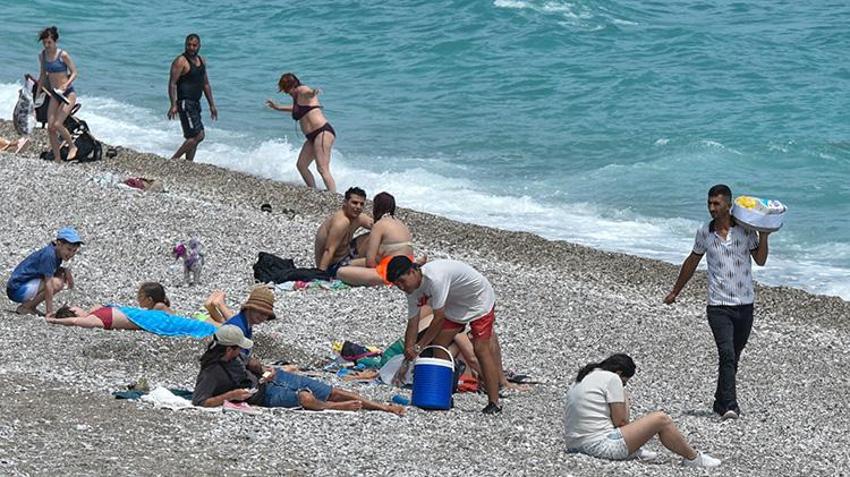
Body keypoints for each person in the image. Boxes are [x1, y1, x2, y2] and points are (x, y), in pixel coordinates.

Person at [664, 184, 770, 420]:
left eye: (716, 204)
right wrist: (675, 291)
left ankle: (719, 402)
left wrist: (764, 236)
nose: (712, 208)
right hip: (718, 305)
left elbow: (760, 260)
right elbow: (692, 261)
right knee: (726, 353)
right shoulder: (704, 232)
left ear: (728, 205)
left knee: (734, 354)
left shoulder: (745, 231)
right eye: (709, 203)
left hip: (745, 304)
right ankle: (731, 406)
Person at [387, 256, 512, 414]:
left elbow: (438, 319)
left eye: (402, 281)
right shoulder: (411, 290)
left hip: (478, 299)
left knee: (481, 349)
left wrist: (418, 347)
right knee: (439, 345)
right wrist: (408, 353)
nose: (401, 287)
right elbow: (412, 323)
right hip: (455, 304)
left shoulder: (435, 278)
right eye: (397, 284)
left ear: (413, 271)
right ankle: (442, 394)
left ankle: (494, 402)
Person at [192, 324, 404, 415]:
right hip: (265, 396)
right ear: (229, 349)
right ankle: (335, 407)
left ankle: (382, 407)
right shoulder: (211, 372)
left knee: (333, 390)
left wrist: (264, 368)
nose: (240, 352)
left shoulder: (237, 357)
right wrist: (232, 395)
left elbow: (253, 365)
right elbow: (200, 401)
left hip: (275, 379)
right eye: (238, 348)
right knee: (305, 398)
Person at [564, 354, 721, 467]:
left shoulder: (583, 378)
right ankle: (693, 457)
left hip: (574, 444)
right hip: (597, 445)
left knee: (648, 425)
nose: (624, 385)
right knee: (661, 419)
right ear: (619, 373)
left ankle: (635, 450)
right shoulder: (611, 379)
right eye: (625, 382)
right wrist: (624, 396)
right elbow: (621, 422)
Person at [46, 282, 217, 338]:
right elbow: (75, 321)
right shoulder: (92, 320)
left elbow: (94, 307)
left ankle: (218, 328)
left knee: (185, 323)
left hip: (145, 316)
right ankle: (216, 330)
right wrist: (54, 320)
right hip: (150, 319)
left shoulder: (94, 312)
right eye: (74, 307)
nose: (79, 308)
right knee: (183, 326)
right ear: (72, 311)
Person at [266, 73, 337, 192]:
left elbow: (307, 91)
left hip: (322, 132)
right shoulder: (297, 99)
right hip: (312, 137)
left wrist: (313, 92)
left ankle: (334, 196)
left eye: (286, 89)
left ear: (292, 86)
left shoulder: (301, 90)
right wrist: (277, 107)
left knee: (322, 168)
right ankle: (313, 191)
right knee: (301, 165)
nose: (286, 93)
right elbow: (295, 109)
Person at [336, 192, 418, 286]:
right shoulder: (401, 224)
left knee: (341, 271)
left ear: (376, 207)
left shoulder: (379, 225)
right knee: (351, 263)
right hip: (407, 265)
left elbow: (370, 262)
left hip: (391, 271)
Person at [6, 227, 82, 316]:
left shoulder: (55, 253)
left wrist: (65, 271)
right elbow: (48, 284)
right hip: (17, 289)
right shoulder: (49, 255)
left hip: (19, 286)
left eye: (74, 251)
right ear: (59, 244)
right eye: (69, 249)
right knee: (57, 283)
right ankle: (26, 307)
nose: (71, 254)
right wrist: (49, 312)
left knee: (60, 275)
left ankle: (30, 306)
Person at [167, 33, 218, 161]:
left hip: (195, 103)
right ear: (185, 45)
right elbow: (172, 83)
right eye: (189, 45)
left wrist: (212, 105)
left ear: (199, 46)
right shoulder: (180, 61)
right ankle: (174, 159)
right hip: (185, 103)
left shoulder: (201, 61)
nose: (191, 48)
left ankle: (189, 164)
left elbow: (205, 84)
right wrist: (173, 104)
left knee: (193, 136)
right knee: (198, 135)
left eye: (194, 45)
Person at [37, 26, 79, 162]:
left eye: (49, 42)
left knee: (57, 124)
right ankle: (57, 158)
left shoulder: (63, 55)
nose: (47, 45)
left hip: (68, 94)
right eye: (45, 43)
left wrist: (66, 85)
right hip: (55, 95)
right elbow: (43, 75)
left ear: (55, 41)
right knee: (50, 128)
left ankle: (72, 146)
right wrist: (38, 93)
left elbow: (74, 73)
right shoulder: (43, 56)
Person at [314, 187, 373, 277]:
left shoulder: (358, 218)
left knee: (374, 235)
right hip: (333, 266)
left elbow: (377, 227)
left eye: (361, 204)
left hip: (347, 254)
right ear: (345, 202)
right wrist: (320, 274)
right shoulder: (341, 222)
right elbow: (329, 250)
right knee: (373, 261)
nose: (358, 207)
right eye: (354, 203)